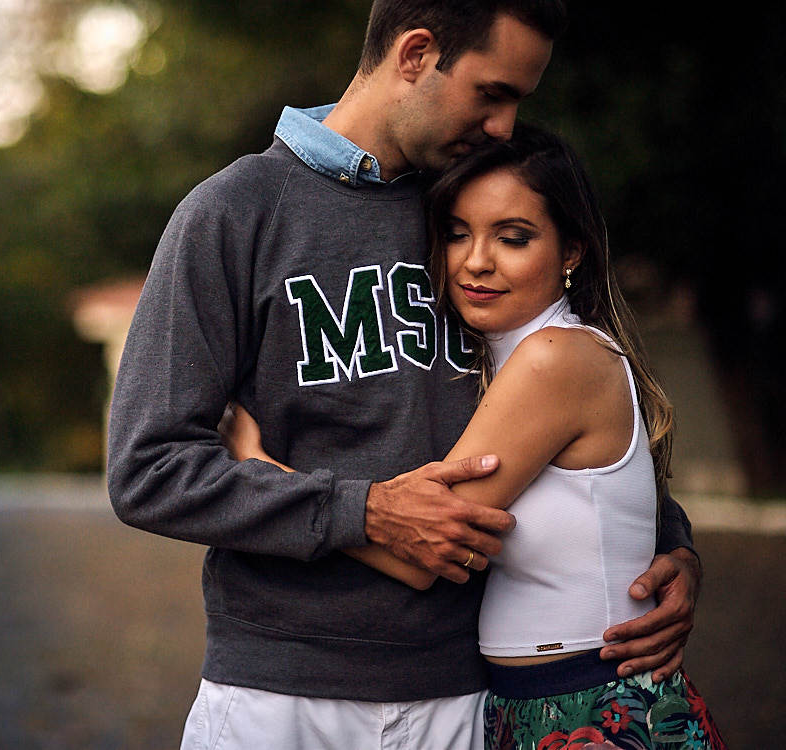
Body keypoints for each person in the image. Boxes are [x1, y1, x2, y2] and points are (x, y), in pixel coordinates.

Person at [106, 0, 701, 747]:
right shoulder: (235, 213)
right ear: (416, 54)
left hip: (463, 698)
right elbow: (148, 468)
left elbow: (571, 416)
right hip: (281, 692)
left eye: (518, 103)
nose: (504, 127)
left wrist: (672, 548)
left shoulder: (477, 212)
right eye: (492, 94)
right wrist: (364, 512)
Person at [222, 125, 726, 748]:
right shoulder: (500, 358)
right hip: (525, 704)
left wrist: (257, 463)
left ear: (572, 250)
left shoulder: (553, 360)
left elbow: (423, 553)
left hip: (594, 707)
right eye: (457, 233)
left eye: (514, 238)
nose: (476, 261)